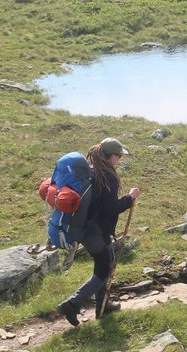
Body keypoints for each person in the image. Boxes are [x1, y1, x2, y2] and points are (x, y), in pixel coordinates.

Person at [57, 137, 140, 326]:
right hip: (97, 231)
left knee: (103, 265)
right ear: (111, 156)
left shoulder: (91, 171)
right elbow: (111, 209)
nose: (119, 159)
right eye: (119, 156)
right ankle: (72, 304)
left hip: (85, 229)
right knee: (105, 269)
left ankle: (103, 306)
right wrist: (130, 198)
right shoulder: (107, 177)